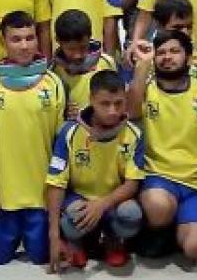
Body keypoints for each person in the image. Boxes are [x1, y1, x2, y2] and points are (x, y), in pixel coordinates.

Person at [127, 30, 197, 264]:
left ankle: (179, 224)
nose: (168, 57)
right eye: (161, 53)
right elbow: (131, 111)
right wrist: (142, 66)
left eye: (175, 51)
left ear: (189, 57)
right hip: (159, 176)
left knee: (195, 249)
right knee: (159, 209)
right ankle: (161, 226)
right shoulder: (146, 89)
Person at [0, 11, 66, 265]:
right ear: (3, 42)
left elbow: (60, 144)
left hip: (40, 198)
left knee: (40, 258)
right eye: (16, 39)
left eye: (30, 38)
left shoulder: (52, 84)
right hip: (3, 196)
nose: (24, 45)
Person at [46, 70, 145, 272]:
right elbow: (56, 183)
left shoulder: (134, 133)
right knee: (73, 216)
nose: (112, 111)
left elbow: (132, 183)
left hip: (113, 201)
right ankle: (77, 242)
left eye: (118, 103)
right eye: (104, 104)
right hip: (79, 199)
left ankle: (112, 238)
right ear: (91, 100)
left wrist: (101, 204)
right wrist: (54, 236)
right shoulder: (69, 132)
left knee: (131, 213)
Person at [51, 9, 117, 119]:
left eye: (83, 47)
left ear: (90, 36)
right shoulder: (54, 72)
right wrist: (64, 112)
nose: (78, 55)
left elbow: (117, 96)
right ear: (58, 41)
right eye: (71, 49)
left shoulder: (106, 63)